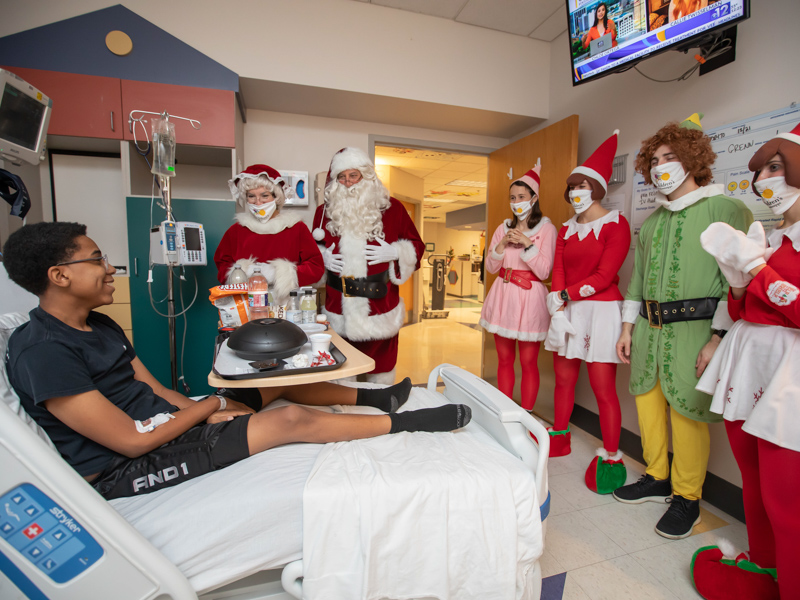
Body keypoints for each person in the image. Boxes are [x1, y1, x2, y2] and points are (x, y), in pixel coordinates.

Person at [3, 222, 471, 500]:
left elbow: (153, 390)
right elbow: (127, 441)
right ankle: (414, 425)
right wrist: (207, 410)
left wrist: (202, 406)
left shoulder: (98, 325)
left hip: (163, 426)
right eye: (97, 259)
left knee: (268, 381)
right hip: (120, 469)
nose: (109, 268)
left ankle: (380, 397)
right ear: (60, 275)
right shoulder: (44, 351)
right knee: (287, 418)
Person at [613, 113, 753, 539]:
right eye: (654, 160)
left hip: (697, 329)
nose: (660, 167)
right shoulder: (653, 222)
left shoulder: (726, 209)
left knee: (688, 413)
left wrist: (718, 338)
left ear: (693, 159)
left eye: (669, 156)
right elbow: (636, 278)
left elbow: (739, 279)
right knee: (649, 404)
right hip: (649, 329)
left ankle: (687, 498)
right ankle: (656, 476)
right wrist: (626, 328)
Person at [691, 124, 800, 600]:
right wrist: (738, 281)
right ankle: (763, 567)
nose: (764, 181)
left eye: (774, 168)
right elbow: (744, 310)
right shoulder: (774, 237)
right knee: (752, 481)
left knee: (786, 500)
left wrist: (756, 268)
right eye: (760, 172)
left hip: (788, 369)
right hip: (748, 357)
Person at [545, 131, 631, 495]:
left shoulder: (616, 224)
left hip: (602, 312)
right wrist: (557, 298)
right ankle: (559, 436)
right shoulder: (565, 228)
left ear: (597, 188)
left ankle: (611, 455)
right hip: (570, 310)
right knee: (563, 378)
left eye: (582, 186)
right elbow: (559, 267)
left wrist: (565, 293)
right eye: (572, 188)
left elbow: (605, 276)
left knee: (602, 388)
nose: (575, 192)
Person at [312, 148, 425, 384]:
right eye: (341, 177)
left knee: (380, 373)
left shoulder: (392, 208)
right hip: (338, 306)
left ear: (366, 176)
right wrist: (323, 257)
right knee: (342, 372)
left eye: (353, 175)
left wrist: (395, 252)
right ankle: (346, 415)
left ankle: (380, 413)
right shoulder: (324, 212)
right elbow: (311, 250)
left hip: (380, 306)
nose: (347, 183)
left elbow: (417, 245)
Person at [479, 163, 557, 412]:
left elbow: (545, 271)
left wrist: (527, 244)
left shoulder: (546, 229)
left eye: (522, 197)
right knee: (503, 359)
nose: (516, 202)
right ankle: (504, 413)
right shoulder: (503, 228)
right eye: (513, 197)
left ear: (534, 198)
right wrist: (501, 246)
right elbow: (490, 268)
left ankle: (526, 414)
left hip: (530, 299)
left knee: (528, 361)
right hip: (503, 295)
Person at [214, 164, 324, 306]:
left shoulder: (296, 228)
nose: (258, 202)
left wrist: (280, 273)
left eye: (264, 195)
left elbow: (316, 267)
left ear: (276, 197)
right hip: (245, 307)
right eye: (251, 196)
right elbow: (222, 265)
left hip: (287, 308)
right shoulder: (236, 231)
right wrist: (243, 272)